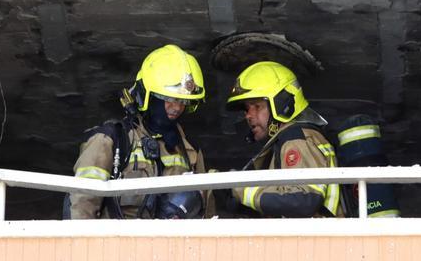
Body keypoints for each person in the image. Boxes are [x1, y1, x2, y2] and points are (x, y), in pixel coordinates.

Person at [64, 44, 212, 219]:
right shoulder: (111, 140)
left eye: (183, 101)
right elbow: (82, 206)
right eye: (170, 99)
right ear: (148, 96)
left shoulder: (190, 150)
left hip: (174, 245)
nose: (177, 107)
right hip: (120, 244)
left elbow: (206, 214)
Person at [222, 60, 342, 218]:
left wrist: (239, 189)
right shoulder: (294, 138)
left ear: (282, 103)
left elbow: (303, 200)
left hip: (316, 240)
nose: (248, 115)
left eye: (256, 106)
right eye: (246, 109)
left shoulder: (296, 138)